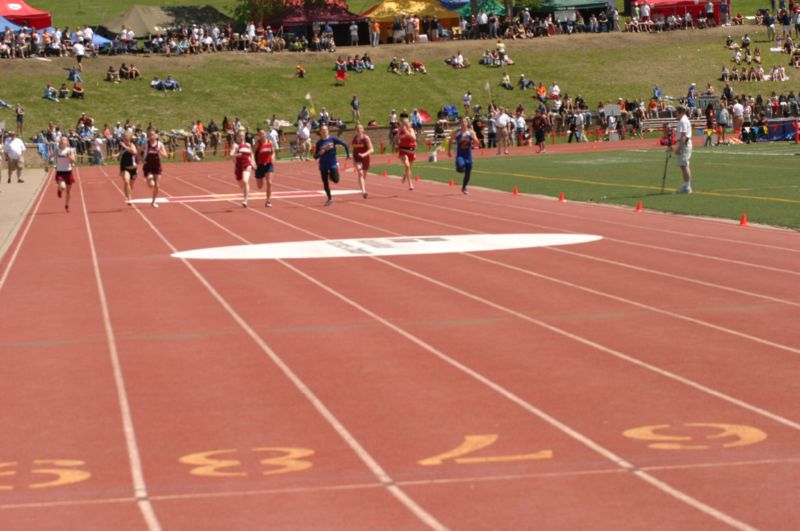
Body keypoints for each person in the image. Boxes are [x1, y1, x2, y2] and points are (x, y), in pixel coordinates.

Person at [314, 125, 350, 206]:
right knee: (325, 182)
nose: (324, 132)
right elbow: (315, 157)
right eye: (322, 130)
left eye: (326, 130)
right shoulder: (319, 143)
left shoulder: (333, 139)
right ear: (320, 132)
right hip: (323, 164)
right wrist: (320, 153)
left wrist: (348, 154)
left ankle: (331, 175)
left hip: (332, 163)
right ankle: (329, 198)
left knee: (336, 180)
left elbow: (345, 144)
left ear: (328, 131)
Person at [448, 117, 480, 195]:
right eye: (462, 122)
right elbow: (450, 140)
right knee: (461, 167)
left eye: (465, 122)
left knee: (468, 171)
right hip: (460, 155)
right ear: (460, 123)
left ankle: (464, 187)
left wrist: (474, 142)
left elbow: (476, 142)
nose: (463, 123)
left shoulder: (471, 132)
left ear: (467, 123)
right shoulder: (457, 132)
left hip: (468, 155)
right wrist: (449, 151)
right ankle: (458, 166)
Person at [140, 129, 167, 207]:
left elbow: (166, 155)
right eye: (149, 135)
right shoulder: (146, 144)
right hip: (148, 166)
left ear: (155, 135)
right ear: (148, 136)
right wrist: (142, 159)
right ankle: (148, 178)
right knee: (151, 185)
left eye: (152, 134)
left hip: (157, 166)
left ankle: (153, 202)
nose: (151, 136)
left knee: (157, 186)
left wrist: (160, 152)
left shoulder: (160, 144)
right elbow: (138, 152)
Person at [671, 105, 693, 193]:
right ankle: (686, 185)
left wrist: (679, 148)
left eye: (676, 111)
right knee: (683, 165)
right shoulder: (683, 120)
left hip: (684, 144)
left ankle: (687, 187)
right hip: (684, 143)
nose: (675, 113)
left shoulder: (683, 121)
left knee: (684, 165)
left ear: (680, 112)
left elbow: (683, 136)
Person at [231, 130, 255, 207]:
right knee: (241, 185)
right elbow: (231, 154)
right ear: (237, 137)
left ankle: (245, 200)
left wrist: (253, 162)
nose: (241, 137)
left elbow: (251, 154)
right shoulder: (235, 145)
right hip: (238, 167)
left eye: (243, 136)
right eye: (240, 136)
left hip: (247, 165)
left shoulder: (248, 145)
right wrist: (236, 154)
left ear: (244, 136)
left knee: (245, 181)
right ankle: (245, 194)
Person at [53, 136, 76, 212]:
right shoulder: (57, 150)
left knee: (68, 191)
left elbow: (73, 161)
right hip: (60, 171)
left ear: (67, 142)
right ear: (60, 142)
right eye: (62, 140)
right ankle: (59, 189)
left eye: (65, 140)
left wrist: (69, 157)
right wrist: (46, 165)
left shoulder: (70, 150)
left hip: (68, 171)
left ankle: (67, 205)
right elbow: (49, 156)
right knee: (63, 187)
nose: (63, 141)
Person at [350, 123, 374, 198]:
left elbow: (372, 149)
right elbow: (353, 150)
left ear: (363, 130)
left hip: (365, 158)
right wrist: (353, 160)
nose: (359, 130)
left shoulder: (366, 138)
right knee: (360, 173)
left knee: (363, 176)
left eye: (360, 128)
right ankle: (363, 191)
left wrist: (364, 154)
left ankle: (362, 188)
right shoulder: (354, 139)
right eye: (357, 128)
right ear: (355, 130)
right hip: (357, 158)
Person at [254, 128, 275, 207]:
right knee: (260, 186)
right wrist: (253, 162)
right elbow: (252, 152)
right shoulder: (257, 143)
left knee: (269, 182)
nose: (261, 135)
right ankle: (260, 178)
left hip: (268, 164)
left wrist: (272, 157)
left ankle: (268, 200)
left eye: (263, 134)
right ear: (258, 136)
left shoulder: (270, 142)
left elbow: (273, 152)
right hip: (259, 165)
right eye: (260, 134)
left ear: (265, 134)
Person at [396, 118, 417, 191]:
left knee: (409, 168)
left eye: (406, 123)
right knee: (407, 165)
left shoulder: (411, 130)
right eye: (403, 124)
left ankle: (405, 175)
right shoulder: (400, 130)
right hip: (403, 150)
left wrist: (407, 133)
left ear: (409, 124)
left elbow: (414, 138)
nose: (405, 125)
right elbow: (397, 138)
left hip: (411, 151)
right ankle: (410, 184)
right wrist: (401, 132)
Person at [118, 130, 139, 205]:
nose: (125, 140)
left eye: (126, 139)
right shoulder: (123, 147)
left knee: (130, 185)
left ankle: (129, 195)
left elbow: (134, 152)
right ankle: (129, 198)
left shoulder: (132, 145)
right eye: (124, 139)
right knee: (126, 181)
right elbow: (120, 153)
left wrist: (125, 146)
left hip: (133, 168)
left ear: (129, 139)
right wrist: (116, 155)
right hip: (124, 167)